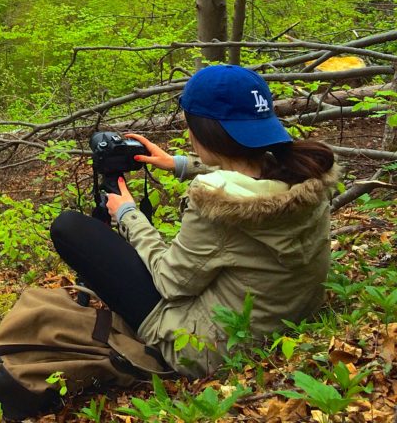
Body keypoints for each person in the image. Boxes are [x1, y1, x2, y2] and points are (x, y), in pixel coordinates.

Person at [49, 65, 337, 376]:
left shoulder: (218, 205)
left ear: (204, 130)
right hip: (282, 319)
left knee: (69, 228)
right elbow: (248, 174)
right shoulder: (305, 177)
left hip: (206, 348)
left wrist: (127, 214)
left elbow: (170, 283)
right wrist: (180, 165)